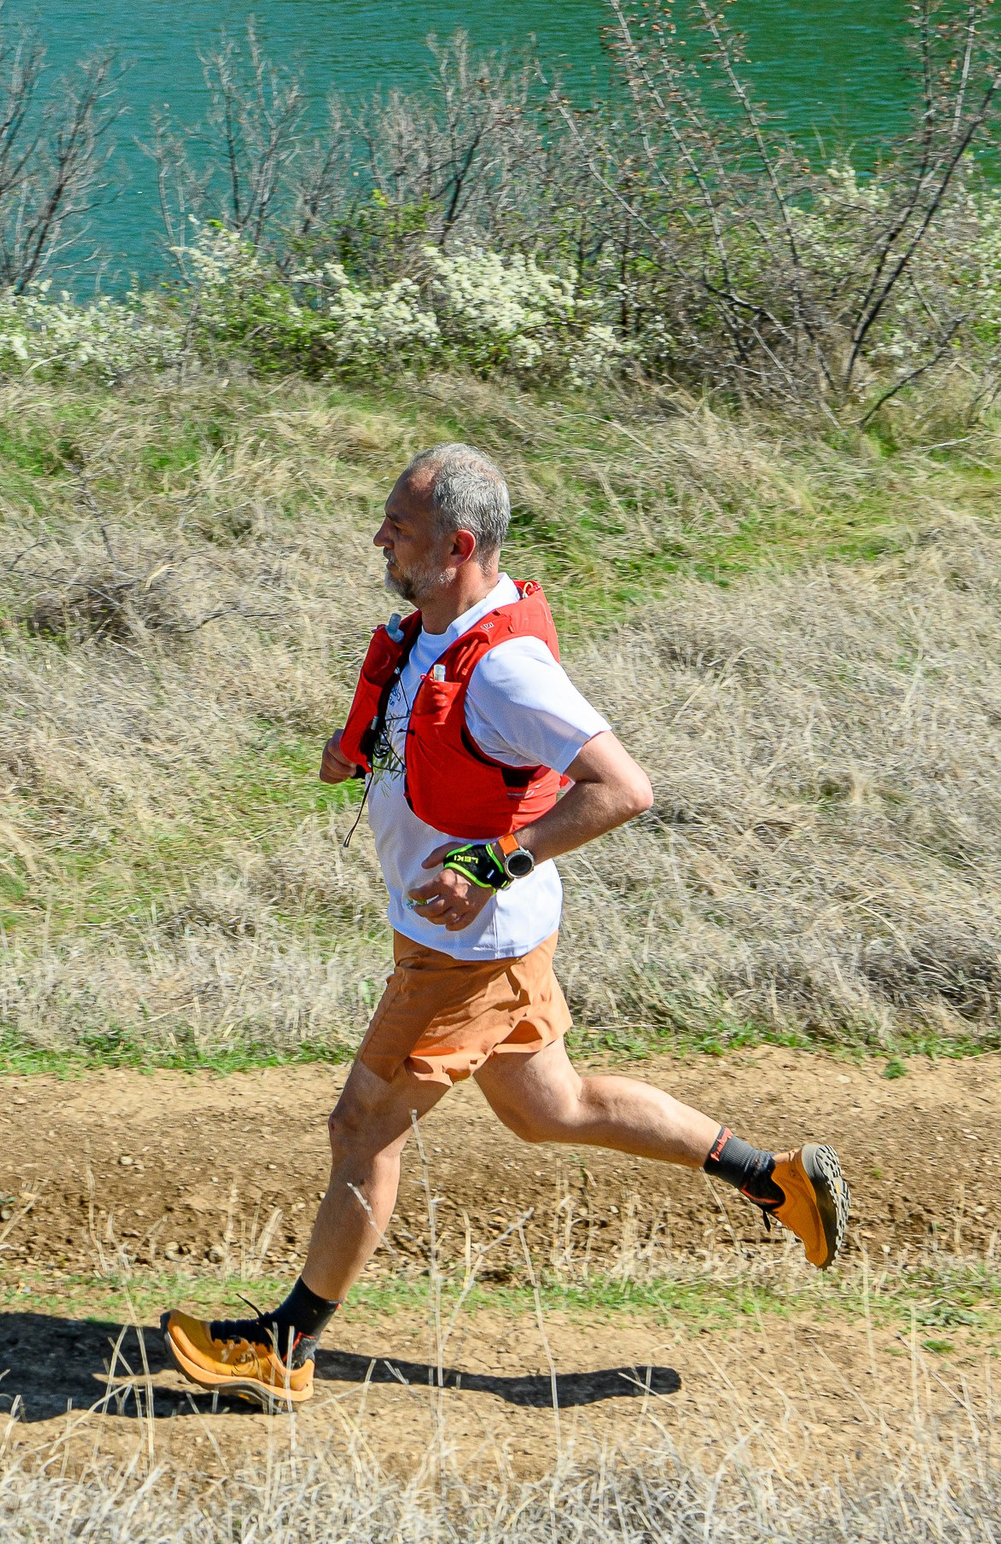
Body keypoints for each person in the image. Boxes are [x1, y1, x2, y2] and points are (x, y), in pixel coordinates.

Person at [160, 444, 847, 1411]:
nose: (380, 538)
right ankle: (774, 1177)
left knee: (362, 1127)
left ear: (460, 543)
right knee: (546, 1108)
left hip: (466, 951)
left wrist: (489, 864)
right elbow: (431, 746)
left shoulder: (510, 669)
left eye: (399, 526)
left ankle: (285, 1346)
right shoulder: (437, 632)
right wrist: (353, 754)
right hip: (473, 942)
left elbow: (624, 790)